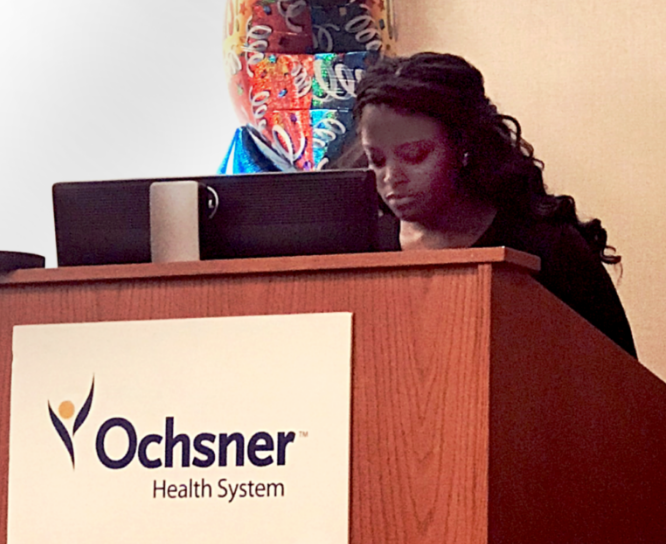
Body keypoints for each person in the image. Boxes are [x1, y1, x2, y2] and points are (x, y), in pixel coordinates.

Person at [351, 52, 637, 357]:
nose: (392, 177)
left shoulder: (547, 246)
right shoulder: (360, 247)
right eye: (376, 160)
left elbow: (623, 383)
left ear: (463, 146)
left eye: (415, 154)